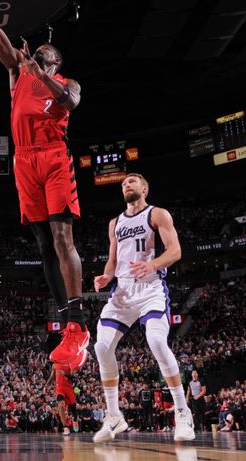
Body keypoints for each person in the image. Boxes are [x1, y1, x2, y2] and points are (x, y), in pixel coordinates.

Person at [0, 0, 87, 368]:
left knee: (61, 237)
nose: (38, 53)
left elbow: (69, 103)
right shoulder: (17, 71)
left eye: (45, 51)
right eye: (35, 51)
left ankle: (78, 323)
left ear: (56, 61)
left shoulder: (67, 81)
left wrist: (41, 76)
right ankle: (66, 321)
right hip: (23, 158)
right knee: (42, 245)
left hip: (53, 156)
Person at [92, 173, 195, 442]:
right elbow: (112, 261)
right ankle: (114, 417)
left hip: (150, 287)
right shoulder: (114, 223)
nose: (127, 184)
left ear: (145, 188)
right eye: (124, 183)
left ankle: (183, 412)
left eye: (132, 181)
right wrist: (106, 276)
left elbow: (175, 251)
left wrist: (152, 264)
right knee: (101, 347)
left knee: (157, 343)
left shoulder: (157, 214)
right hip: (123, 291)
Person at [47, 362, 79, 435]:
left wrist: (64, 374)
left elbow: (74, 377)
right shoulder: (55, 364)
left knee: (73, 408)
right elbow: (52, 376)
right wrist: (46, 385)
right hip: (59, 388)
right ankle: (65, 427)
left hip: (69, 388)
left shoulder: (71, 362)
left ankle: (75, 419)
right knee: (61, 405)